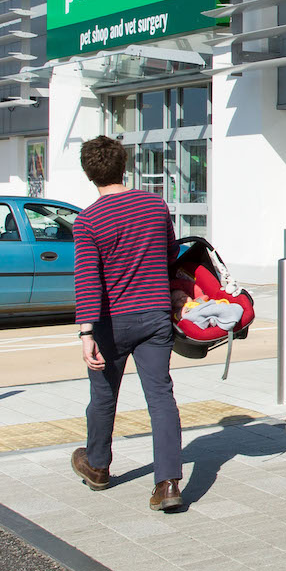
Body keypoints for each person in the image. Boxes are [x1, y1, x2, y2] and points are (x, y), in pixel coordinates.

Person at [68, 135, 186, 511]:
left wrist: (86, 332)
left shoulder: (88, 220)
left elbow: (88, 279)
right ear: (125, 166)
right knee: (161, 397)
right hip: (155, 315)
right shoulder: (154, 204)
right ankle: (168, 484)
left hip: (111, 322)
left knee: (104, 396)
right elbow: (171, 252)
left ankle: (98, 466)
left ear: (89, 174)